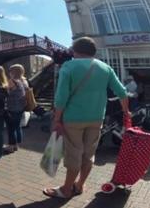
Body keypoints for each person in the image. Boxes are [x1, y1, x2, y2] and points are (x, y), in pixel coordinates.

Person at [43, 37, 129, 199]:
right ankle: (79, 185)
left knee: (73, 154)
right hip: (97, 118)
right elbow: (122, 92)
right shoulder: (105, 67)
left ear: (75, 51)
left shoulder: (68, 66)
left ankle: (66, 189)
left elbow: (61, 97)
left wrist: (57, 119)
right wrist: (126, 112)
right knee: (89, 154)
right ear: (93, 52)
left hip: (73, 119)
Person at [4, 64, 27, 153]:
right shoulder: (24, 80)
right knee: (17, 126)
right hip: (21, 107)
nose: (9, 73)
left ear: (14, 72)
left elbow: (7, 93)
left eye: (10, 71)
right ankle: (16, 145)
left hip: (12, 107)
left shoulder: (12, 81)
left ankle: (11, 146)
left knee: (11, 128)